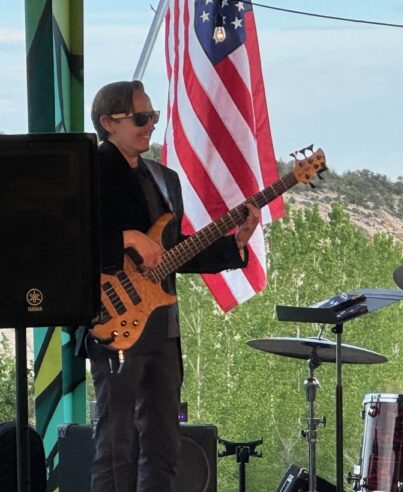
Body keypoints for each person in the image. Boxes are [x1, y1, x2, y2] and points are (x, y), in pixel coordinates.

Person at [89, 80, 261, 491]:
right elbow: (71, 239)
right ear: (107, 123)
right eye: (141, 118)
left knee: (165, 444)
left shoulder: (163, 178)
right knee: (117, 446)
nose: (150, 126)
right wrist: (127, 238)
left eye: (153, 117)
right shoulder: (92, 170)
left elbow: (173, 251)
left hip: (163, 325)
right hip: (116, 322)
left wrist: (234, 244)